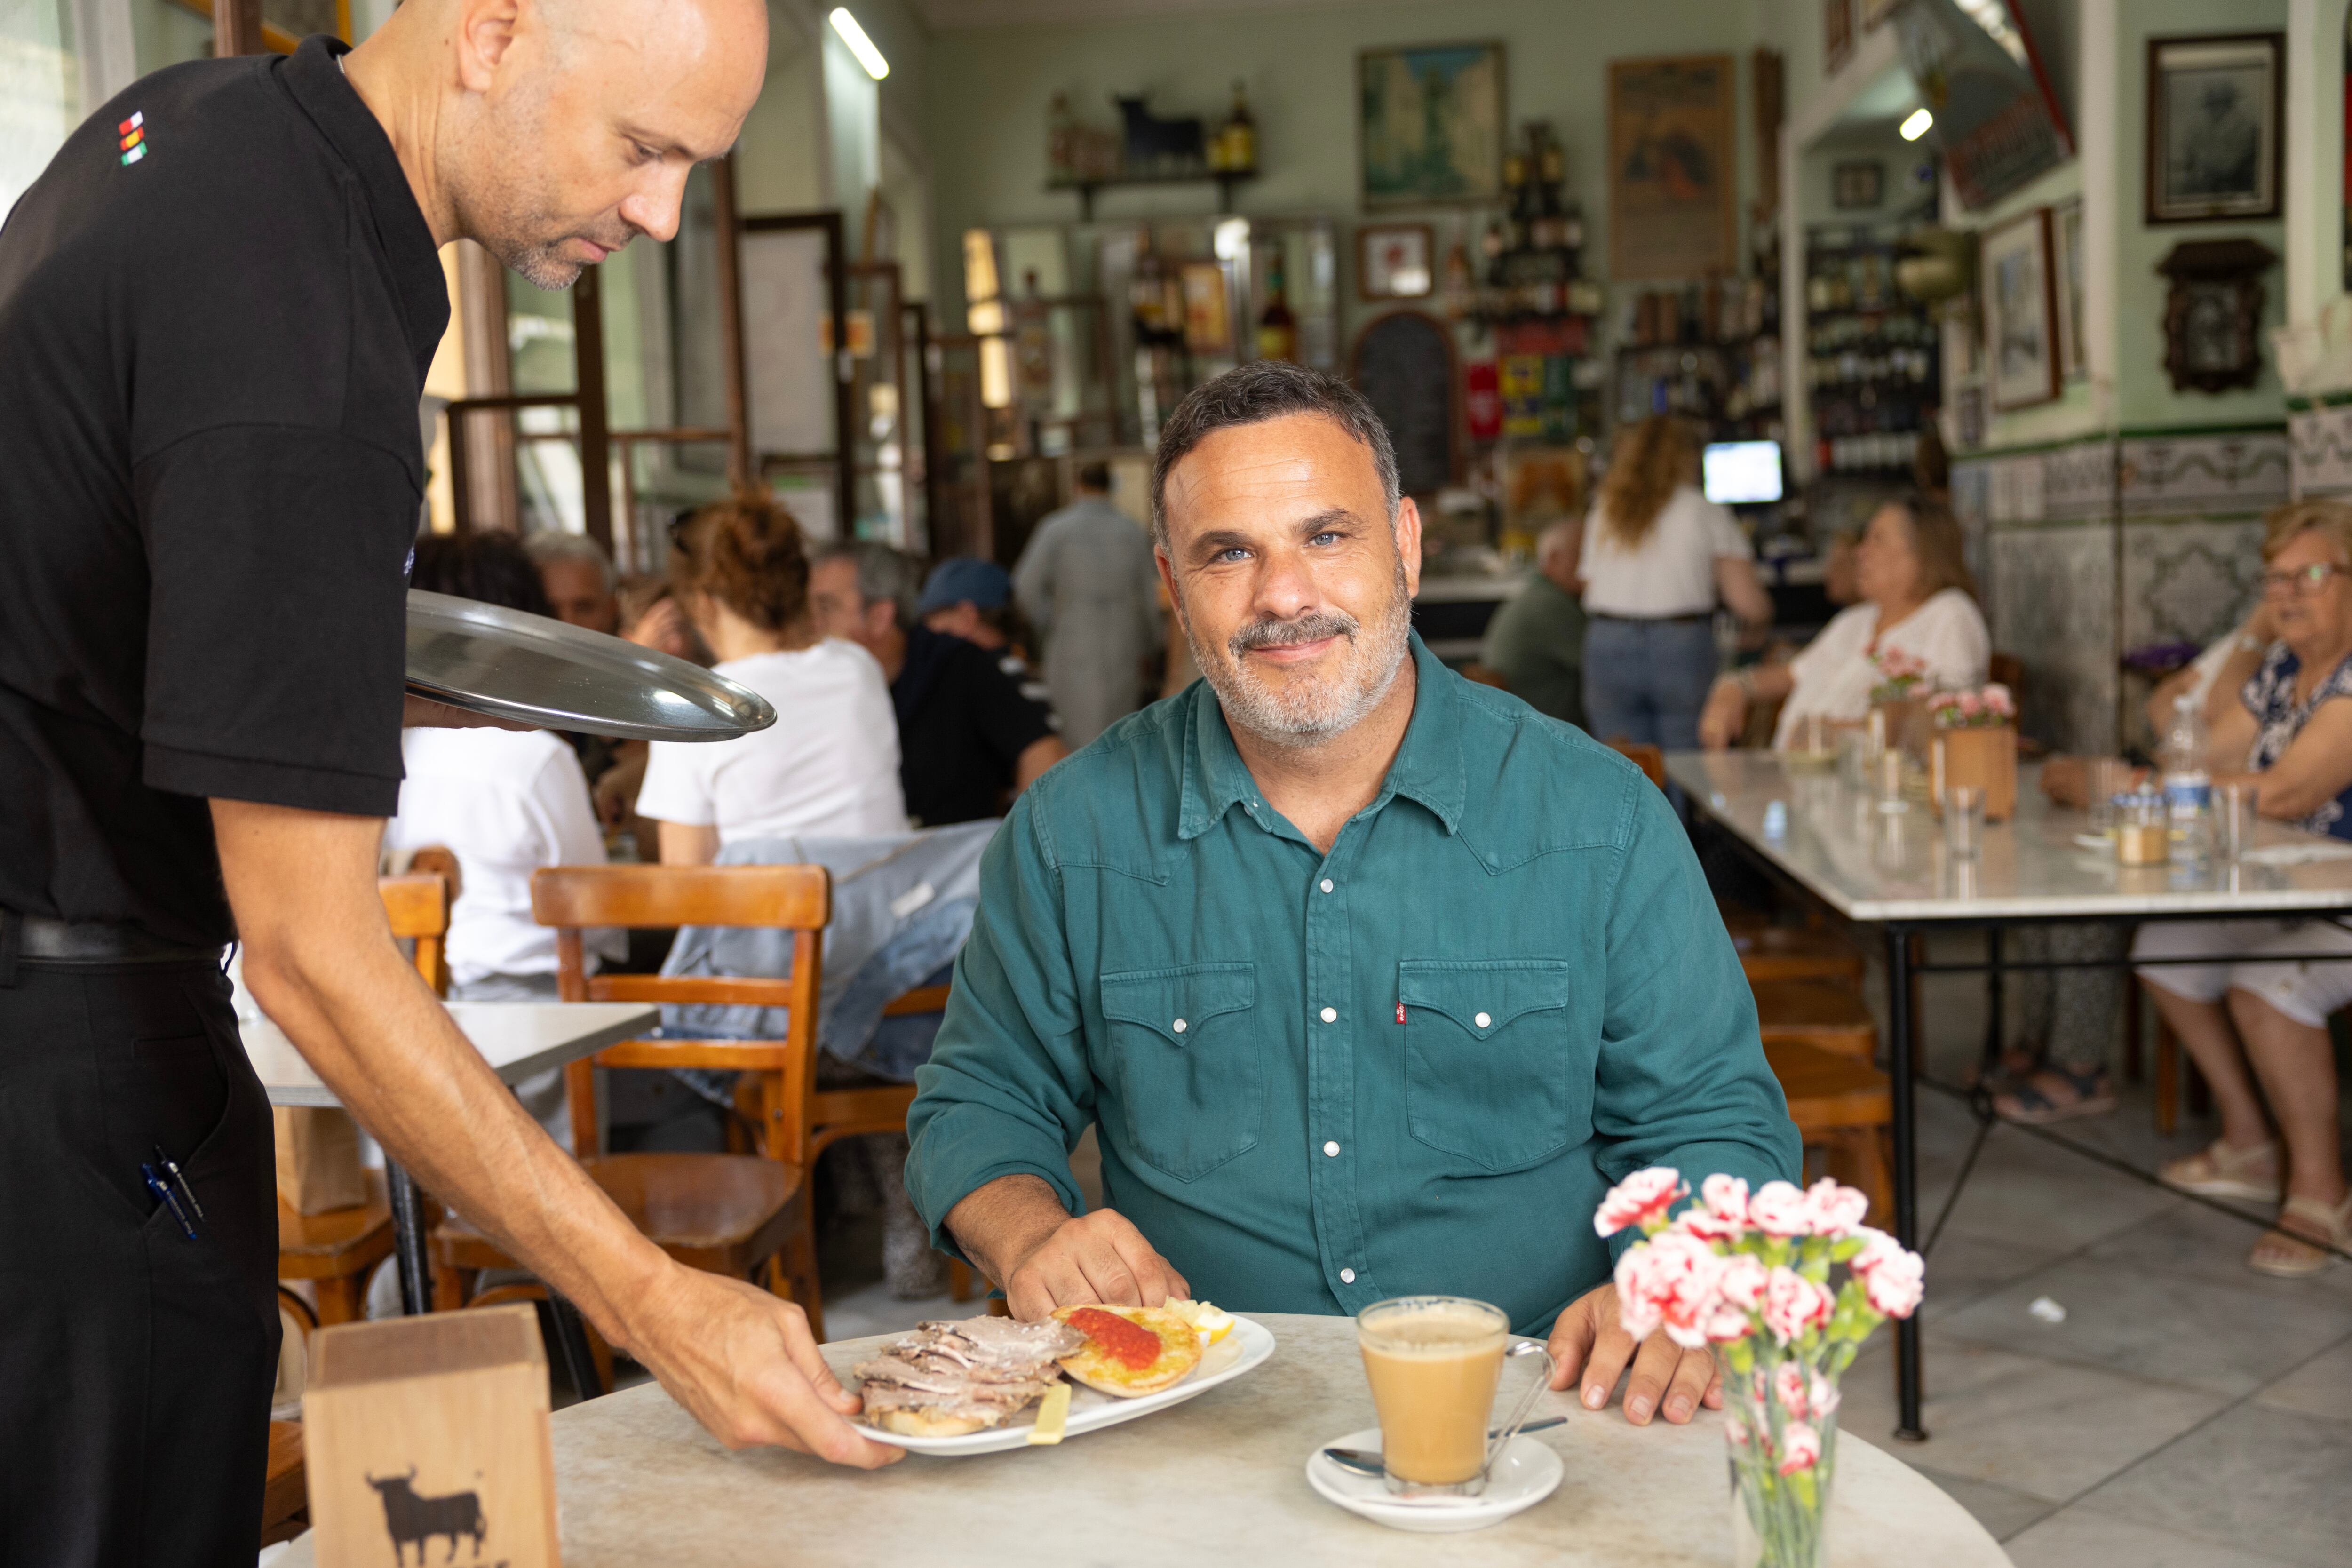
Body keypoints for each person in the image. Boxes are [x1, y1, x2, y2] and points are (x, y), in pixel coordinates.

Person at [0, 4, 897, 1560]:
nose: (664, 211)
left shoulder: (197, 129)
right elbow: (312, 955)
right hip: (64, 1067)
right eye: (644, 147)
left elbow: (131, 583)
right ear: (489, 30)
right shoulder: (303, 313)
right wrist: (651, 1299)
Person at [906, 362, 1800, 1430]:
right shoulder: (1069, 836)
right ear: (1169, 581)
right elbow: (977, 1104)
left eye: (1326, 536)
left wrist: (1677, 1281)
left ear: (1407, 545)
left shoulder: (1600, 820)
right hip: (1204, 1413)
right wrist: (1028, 1233)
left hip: (1543, 1410)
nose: (1283, 594)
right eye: (1228, 552)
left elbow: (1714, 1117)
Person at [2130, 500, 2352, 1277]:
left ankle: (2323, 1192)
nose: (2289, 593)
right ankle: (2251, 1139)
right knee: (2165, 948)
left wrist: (2184, 784)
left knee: (2266, 985)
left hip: (2344, 903)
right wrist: (2257, 635)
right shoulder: (2286, 670)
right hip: (2295, 892)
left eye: (2311, 575)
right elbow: (2192, 743)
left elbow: (2288, 792)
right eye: (2275, 579)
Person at [386, 533, 625, 1146]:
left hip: (408, 1010)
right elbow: (600, 916)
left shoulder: (382, 748)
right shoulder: (536, 754)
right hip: (541, 1020)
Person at [636, 494, 906, 861]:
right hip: (880, 908)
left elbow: (689, 883)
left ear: (703, 603)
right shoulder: (858, 667)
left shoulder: (693, 705)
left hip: (773, 916)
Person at [1698, 495, 1988, 750]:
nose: (1860, 553)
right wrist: (1734, 687)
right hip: (1795, 785)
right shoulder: (1856, 620)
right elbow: (1791, 674)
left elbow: (1950, 722)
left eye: (1878, 539)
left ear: (1920, 556)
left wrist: (1835, 735)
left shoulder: (1950, 615)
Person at [810, 542, 1067, 827]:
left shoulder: (957, 666)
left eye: (826, 607)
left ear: (880, 616)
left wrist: (1024, 852)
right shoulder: (813, 686)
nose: (812, 624)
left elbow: (1044, 756)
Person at [1578, 417, 1772, 748]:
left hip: (1607, 643)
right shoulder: (1702, 510)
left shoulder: (1606, 509)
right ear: (1687, 457)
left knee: (1621, 766)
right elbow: (1747, 602)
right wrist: (1760, 626)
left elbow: (1586, 585)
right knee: (1684, 767)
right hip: (1679, 646)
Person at [1013, 460, 1165, 747]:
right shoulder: (1131, 531)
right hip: (1123, 644)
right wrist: (1152, 646)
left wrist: (1048, 625)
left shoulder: (1056, 529)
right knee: (1119, 741)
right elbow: (1149, 597)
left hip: (1071, 642)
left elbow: (1024, 588)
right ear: (1111, 487)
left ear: (1077, 487)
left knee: (1075, 742)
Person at [1478, 517, 1588, 728]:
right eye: (1581, 554)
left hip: (1522, 727)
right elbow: (1601, 663)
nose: (1590, 566)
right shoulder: (1549, 605)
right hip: (1541, 732)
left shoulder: (1539, 595)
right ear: (1553, 559)